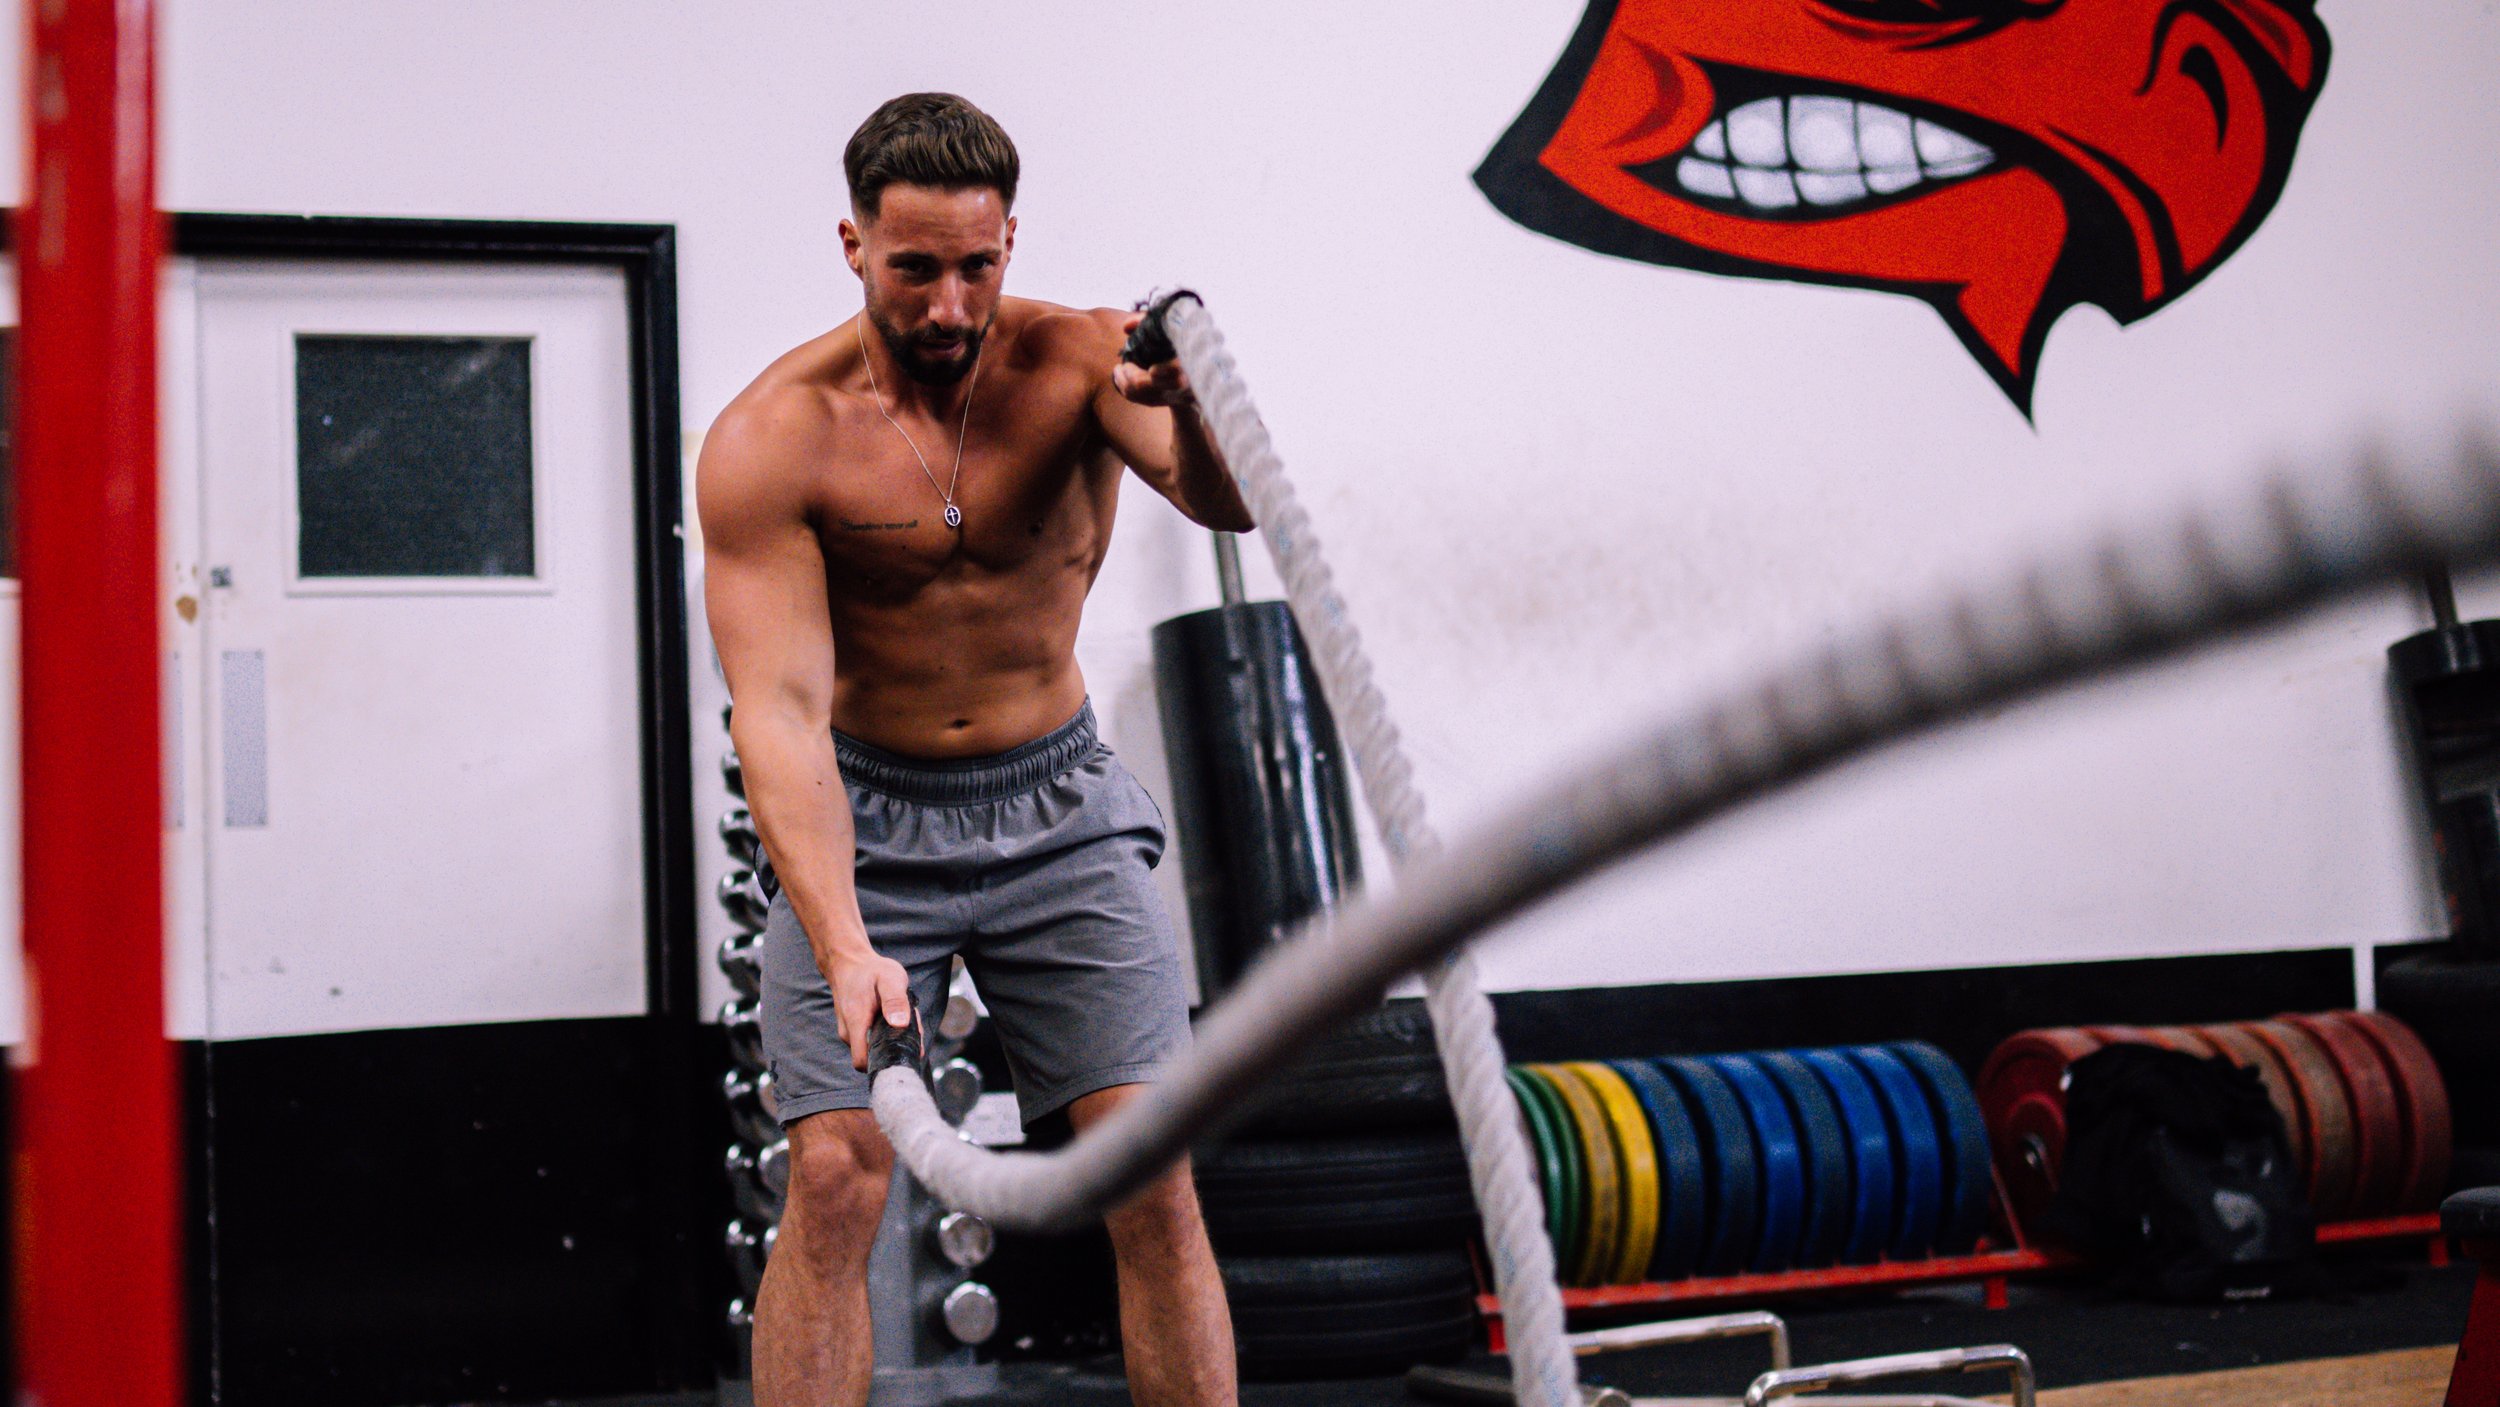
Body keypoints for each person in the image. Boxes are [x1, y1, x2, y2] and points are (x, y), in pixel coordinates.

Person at [698, 92, 1250, 1407]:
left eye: (977, 267)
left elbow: (1223, 500)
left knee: (1152, 1174)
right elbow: (775, 712)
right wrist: (838, 938)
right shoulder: (774, 437)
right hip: (871, 819)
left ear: (1011, 242)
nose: (950, 306)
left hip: (1057, 806)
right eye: (914, 270)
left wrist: (1202, 400)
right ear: (852, 247)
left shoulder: (1082, 363)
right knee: (835, 1173)